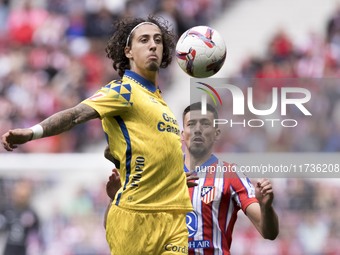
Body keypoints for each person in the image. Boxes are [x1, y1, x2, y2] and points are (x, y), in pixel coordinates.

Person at [1, 15, 192, 255]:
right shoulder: (123, 90)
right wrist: (32, 132)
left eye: (157, 40)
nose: (153, 44)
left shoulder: (161, 103)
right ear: (129, 51)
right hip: (137, 216)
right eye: (144, 40)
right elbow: (75, 115)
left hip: (175, 218)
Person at [182, 102, 279, 254]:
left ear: (216, 133)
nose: (198, 130)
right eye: (191, 124)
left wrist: (265, 207)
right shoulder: (166, 173)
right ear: (183, 134)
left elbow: (269, 233)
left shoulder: (230, 174)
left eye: (205, 124)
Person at [0, 180, 42, 255]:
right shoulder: (7, 210)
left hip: (23, 248)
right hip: (9, 247)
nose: (20, 199)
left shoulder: (31, 212)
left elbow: (37, 230)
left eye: (22, 197)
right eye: (18, 196)